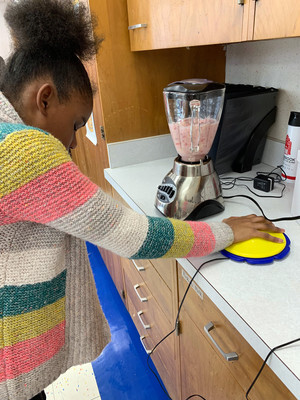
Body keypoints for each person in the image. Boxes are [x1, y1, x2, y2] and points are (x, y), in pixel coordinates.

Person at [0, 0, 284, 399]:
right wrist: (224, 231)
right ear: (44, 99)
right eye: (77, 124)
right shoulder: (22, 150)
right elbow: (132, 235)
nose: (74, 141)